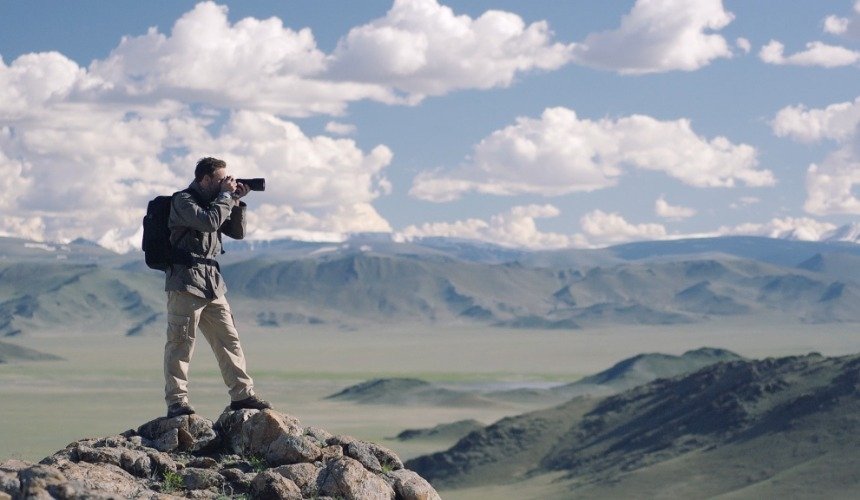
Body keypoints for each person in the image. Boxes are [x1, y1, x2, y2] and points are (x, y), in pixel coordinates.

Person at [163, 156, 271, 418]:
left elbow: (237, 233)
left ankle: (242, 395)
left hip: (212, 283)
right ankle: (177, 402)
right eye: (222, 179)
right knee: (181, 343)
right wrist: (225, 197)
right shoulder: (183, 201)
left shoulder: (217, 202)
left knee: (229, 339)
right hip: (186, 281)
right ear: (206, 179)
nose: (227, 182)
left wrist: (236, 201)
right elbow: (208, 222)